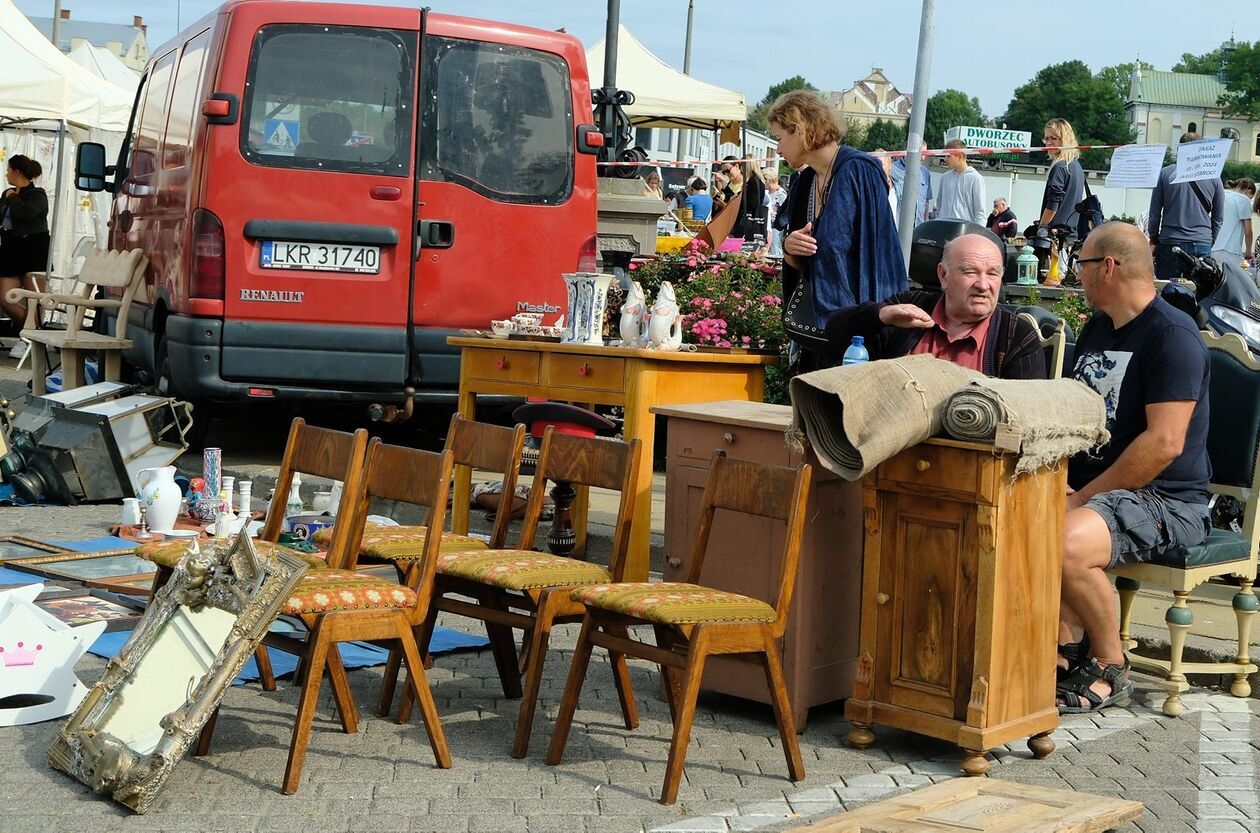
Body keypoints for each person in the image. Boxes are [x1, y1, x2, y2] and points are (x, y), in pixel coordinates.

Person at [1056, 221, 1211, 713]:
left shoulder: (1172, 335)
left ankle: (1110, 664)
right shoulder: (1099, 328)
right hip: (1099, 490)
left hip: (1168, 500)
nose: (1073, 274)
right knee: (1014, 518)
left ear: (1108, 267)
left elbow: (1164, 444)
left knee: (1063, 540)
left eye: (1080, 264)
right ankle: (1058, 649)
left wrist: (1079, 498)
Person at [767, 90, 906, 369]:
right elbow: (807, 256)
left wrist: (868, 326)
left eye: (780, 138)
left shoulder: (858, 170)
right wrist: (792, 248)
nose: (779, 150)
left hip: (857, 335)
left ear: (800, 130)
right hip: (824, 332)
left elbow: (865, 256)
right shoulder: (806, 181)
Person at [824, 233, 1045, 379]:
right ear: (943, 275)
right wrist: (880, 315)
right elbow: (834, 333)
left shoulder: (1016, 336)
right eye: (970, 272)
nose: (983, 285)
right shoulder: (908, 309)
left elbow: (1029, 416)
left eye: (993, 274)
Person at [1148, 133, 1225, 280]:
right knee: (1199, 292)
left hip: (1170, 242)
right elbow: (1218, 217)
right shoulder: (1214, 177)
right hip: (1201, 242)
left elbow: (1154, 213)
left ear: (1180, 149)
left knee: (1168, 290)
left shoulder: (1165, 174)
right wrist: (1209, 239)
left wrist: (1154, 238)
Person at [0, 155, 50, 327]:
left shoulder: (38, 195)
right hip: (11, 248)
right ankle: (31, 330)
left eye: (8, 170)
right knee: (6, 297)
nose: (6, 175)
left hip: (34, 249)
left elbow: (26, 213)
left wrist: (13, 197)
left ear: (17, 171)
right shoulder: (7, 193)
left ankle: (29, 336)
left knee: (33, 299)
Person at [1037, 118, 1086, 251]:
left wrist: (1041, 227)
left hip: (1055, 239)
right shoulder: (1076, 166)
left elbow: (1053, 205)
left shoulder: (1060, 167)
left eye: (1053, 138)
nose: (1048, 143)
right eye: (1046, 139)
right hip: (1072, 238)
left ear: (1065, 139)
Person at [935, 140, 987, 225]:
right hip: (943, 230)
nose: (945, 159)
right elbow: (938, 206)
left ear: (960, 156)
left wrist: (976, 235)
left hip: (964, 232)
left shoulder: (975, 178)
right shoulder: (944, 178)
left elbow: (980, 213)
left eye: (948, 156)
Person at [1211, 177, 1255, 266]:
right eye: (1251, 198)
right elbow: (1248, 231)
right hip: (1231, 251)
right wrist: (1248, 251)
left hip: (1214, 249)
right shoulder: (1244, 200)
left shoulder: (1223, 196)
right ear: (1249, 191)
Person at [722, 155, 766, 241]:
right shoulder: (757, 181)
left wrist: (737, 198)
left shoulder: (752, 181)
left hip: (748, 220)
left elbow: (751, 203)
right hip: (752, 219)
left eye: (741, 165)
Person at [891, 154, 932, 229]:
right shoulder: (893, 169)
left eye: (925, 154)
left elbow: (926, 201)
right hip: (898, 226)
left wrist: (925, 224)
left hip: (919, 227)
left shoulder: (925, 172)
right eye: (921, 153)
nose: (922, 157)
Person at [765, 170, 788, 256]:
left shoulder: (781, 194)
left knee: (775, 249)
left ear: (768, 180)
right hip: (768, 225)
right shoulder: (767, 192)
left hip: (775, 226)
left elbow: (783, 212)